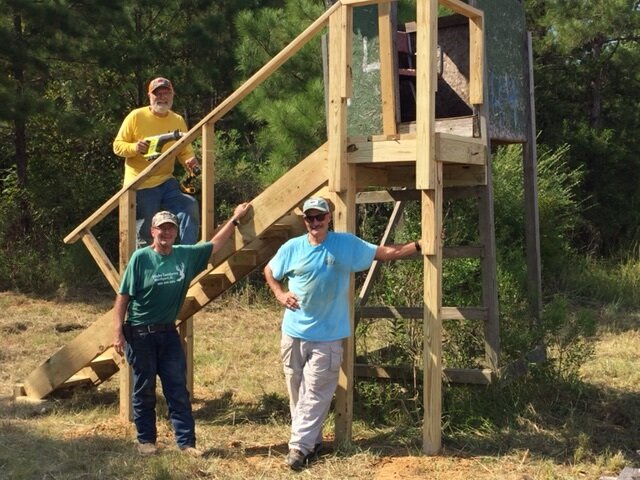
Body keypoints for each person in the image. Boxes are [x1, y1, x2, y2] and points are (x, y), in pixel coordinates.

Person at [264, 197, 422, 470]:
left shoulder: (345, 244)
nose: (315, 223)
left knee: (316, 393)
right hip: (293, 332)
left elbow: (384, 252)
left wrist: (419, 245)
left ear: (329, 218)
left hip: (328, 335)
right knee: (297, 392)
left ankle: (297, 449)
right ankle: (311, 443)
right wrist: (280, 293)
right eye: (309, 218)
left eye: (319, 217)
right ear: (305, 221)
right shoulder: (292, 247)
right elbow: (270, 269)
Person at [112, 203, 250, 456]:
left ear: (176, 233)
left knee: (177, 389)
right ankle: (146, 441)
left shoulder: (184, 255)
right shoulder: (140, 258)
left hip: (168, 333)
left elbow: (214, 245)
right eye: (161, 229)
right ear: (152, 231)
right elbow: (123, 296)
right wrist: (117, 332)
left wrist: (235, 219)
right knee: (143, 390)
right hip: (140, 333)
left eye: (170, 229)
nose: (166, 233)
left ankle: (187, 444)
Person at [113, 77, 200, 248]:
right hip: (141, 183)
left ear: (172, 95)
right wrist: (134, 147)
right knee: (145, 232)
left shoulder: (177, 120)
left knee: (189, 206)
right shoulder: (136, 116)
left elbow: (184, 149)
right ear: (150, 96)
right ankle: (148, 269)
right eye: (157, 94)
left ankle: (188, 254)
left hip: (167, 182)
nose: (162, 97)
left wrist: (189, 160)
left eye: (166, 93)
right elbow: (117, 146)